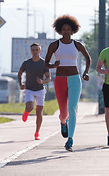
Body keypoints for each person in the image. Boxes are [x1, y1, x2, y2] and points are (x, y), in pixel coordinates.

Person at [45, 14, 91, 152]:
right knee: (63, 112)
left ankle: (70, 140)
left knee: (72, 108)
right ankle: (63, 122)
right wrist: (54, 65)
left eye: (68, 29)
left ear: (73, 31)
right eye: (63, 29)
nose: (66, 31)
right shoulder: (54, 45)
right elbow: (45, 63)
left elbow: (88, 58)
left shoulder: (77, 45)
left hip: (74, 79)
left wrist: (86, 72)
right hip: (59, 80)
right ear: (60, 30)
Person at [18, 43, 51, 140]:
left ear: (40, 51)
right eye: (33, 50)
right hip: (29, 89)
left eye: (37, 50)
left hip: (40, 90)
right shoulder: (27, 63)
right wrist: (21, 84)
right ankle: (26, 111)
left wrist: (42, 81)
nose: (35, 51)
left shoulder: (44, 63)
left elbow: (48, 78)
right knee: (30, 107)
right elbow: (19, 73)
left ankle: (37, 132)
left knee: (39, 112)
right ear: (31, 51)